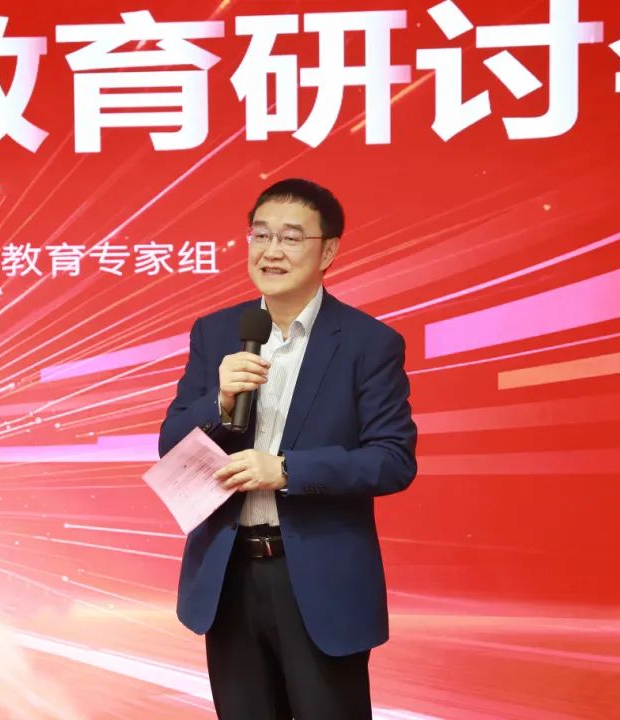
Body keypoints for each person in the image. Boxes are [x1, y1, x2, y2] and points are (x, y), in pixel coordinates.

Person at [158, 178, 417, 720]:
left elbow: (392, 460)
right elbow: (171, 445)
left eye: (291, 238)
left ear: (328, 251)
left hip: (319, 580)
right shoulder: (217, 332)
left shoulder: (368, 343)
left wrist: (286, 470)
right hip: (229, 575)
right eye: (260, 235)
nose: (271, 251)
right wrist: (218, 401)